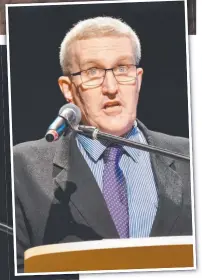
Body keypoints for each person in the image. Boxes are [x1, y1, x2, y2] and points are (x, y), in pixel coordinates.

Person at [14, 16, 192, 273]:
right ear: (68, 88)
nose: (111, 87)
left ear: (138, 78)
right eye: (92, 72)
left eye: (122, 68)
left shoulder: (190, 157)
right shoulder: (23, 167)